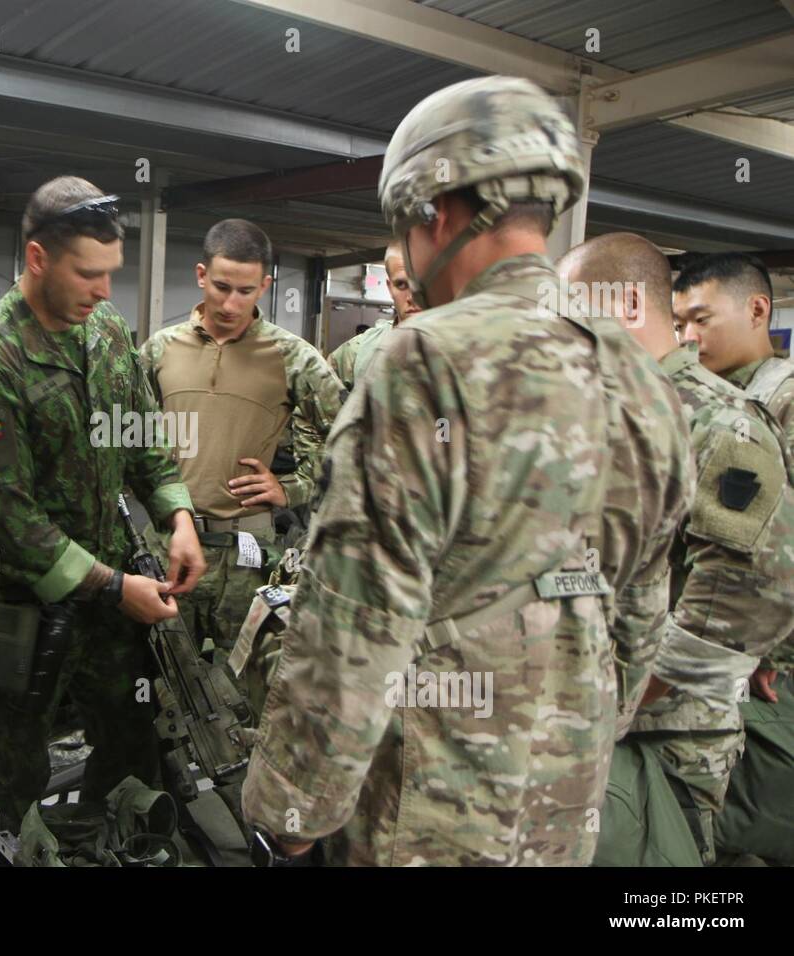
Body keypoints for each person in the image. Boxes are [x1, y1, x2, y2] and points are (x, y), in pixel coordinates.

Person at [240, 76, 693, 866]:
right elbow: (640, 610)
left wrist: (292, 809)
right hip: (566, 799)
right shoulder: (641, 375)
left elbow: (356, 620)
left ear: (434, 214)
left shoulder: (426, 360)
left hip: (425, 805)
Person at [0, 175, 205, 864]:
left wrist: (177, 516)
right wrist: (117, 587)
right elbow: (9, 520)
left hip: (118, 612)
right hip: (21, 618)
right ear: (36, 259)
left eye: (111, 274)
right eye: (88, 274)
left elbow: (144, 439)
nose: (105, 291)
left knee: (131, 752)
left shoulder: (109, 332)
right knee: (12, 776)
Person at [560, 232, 794, 865]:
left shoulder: (717, 422)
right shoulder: (608, 413)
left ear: (629, 303)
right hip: (595, 713)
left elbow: (755, 595)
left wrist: (637, 693)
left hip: (670, 733)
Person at [138, 218, 341, 664]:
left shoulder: (293, 358)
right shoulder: (158, 351)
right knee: (164, 691)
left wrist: (294, 488)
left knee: (247, 696)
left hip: (248, 560)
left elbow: (350, 439)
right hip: (169, 548)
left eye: (245, 291)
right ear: (200, 275)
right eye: (221, 286)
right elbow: (132, 441)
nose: (231, 303)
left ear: (266, 285)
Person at [674, 253, 794, 688]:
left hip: (766, 661)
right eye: (679, 324)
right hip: (720, 639)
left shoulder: (783, 397)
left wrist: (774, 653)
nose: (688, 338)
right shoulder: (710, 399)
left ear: (758, 310)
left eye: (701, 320)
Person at [328, 239, 422, 394]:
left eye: (421, 284)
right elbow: (316, 411)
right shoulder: (357, 352)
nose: (412, 297)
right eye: (402, 285)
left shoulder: (468, 347)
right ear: (390, 287)